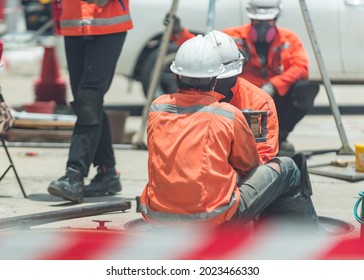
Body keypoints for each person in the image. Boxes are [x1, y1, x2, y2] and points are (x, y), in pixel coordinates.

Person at [139, 35, 319, 228]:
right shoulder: (228, 115)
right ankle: (310, 237)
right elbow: (250, 165)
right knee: (289, 166)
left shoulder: (157, 107)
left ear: (176, 76)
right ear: (214, 79)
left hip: (156, 213)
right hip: (212, 215)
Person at [168, 0, 320, 155]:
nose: (262, 27)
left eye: (267, 21)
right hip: (242, 98)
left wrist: (274, 85)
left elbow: (301, 67)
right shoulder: (234, 36)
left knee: (305, 89)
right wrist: (180, 33)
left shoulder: (289, 39)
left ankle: (280, 135)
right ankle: (232, 137)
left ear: (276, 18)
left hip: (276, 97)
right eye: (257, 21)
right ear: (250, 18)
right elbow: (204, 51)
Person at [48, 0, 133, 203]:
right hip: (75, 26)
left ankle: (74, 175)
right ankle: (107, 173)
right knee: (87, 103)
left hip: (108, 26)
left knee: (89, 98)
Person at [206, 30, 278, 163]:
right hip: (203, 168)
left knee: (285, 166)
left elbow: (262, 156)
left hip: (241, 171)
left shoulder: (256, 102)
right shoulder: (186, 99)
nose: (215, 84)